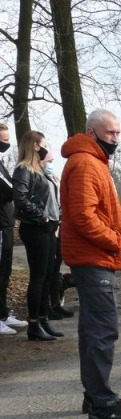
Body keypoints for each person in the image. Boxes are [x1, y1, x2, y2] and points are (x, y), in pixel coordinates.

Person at [60, 109, 121, 419]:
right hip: (94, 259)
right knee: (102, 331)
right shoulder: (85, 163)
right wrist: (115, 239)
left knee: (94, 331)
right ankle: (101, 401)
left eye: (118, 133)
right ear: (92, 133)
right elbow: (83, 215)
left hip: (96, 259)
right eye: (109, 133)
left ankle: (95, 396)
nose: (115, 139)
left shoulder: (93, 161)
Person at [12, 130, 62, 342]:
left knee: (49, 274)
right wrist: (41, 217)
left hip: (48, 227)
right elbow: (20, 198)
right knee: (38, 277)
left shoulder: (40, 171)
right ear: (34, 145)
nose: (45, 147)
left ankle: (43, 320)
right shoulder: (23, 169)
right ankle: (34, 325)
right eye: (43, 144)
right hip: (35, 227)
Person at [0, 121, 28, 335]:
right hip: (0, 225)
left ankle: (3, 313)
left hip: (6, 223)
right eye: (4, 140)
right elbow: (11, 188)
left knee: (6, 270)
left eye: (8, 139)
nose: (7, 144)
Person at [41, 149, 73, 320]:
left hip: (58, 226)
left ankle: (54, 302)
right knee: (48, 269)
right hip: (49, 226)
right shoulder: (39, 178)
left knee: (55, 267)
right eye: (49, 162)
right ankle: (46, 307)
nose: (51, 166)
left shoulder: (54, 178)